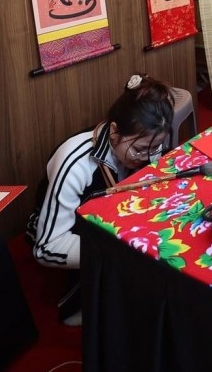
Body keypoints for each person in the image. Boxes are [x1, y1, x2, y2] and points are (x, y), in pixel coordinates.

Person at [29, 74, 175, 272]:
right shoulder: (76, 163)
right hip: (74, 234)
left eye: (156, 146)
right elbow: (48, 247)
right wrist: (116, 252)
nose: (147, 156)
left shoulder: (148, 148)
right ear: (114, 132)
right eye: (139, 149)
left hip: (113, 224)